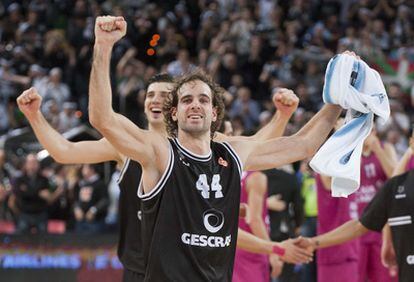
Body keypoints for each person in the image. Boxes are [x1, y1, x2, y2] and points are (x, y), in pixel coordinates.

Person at [88, 16, 342, 281]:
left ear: (214, 111)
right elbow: (101, 118)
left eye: (203, 99)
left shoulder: (232, 153)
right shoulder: (160, 152)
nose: (195, 104)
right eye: (186, 100)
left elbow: (303, 145)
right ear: (173, 113)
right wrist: (104, 46)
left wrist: (337, 98)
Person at [17, 73, 304, 280]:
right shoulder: (128, 146)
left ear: (173, 108)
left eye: (165, 95)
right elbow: (64, 151)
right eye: (150, 94)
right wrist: (34, 117)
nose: (156, 99)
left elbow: (258, 148)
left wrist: (281, 116)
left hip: (187, 268)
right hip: (139, 266)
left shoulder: (205, 143)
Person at [298, 165, 414, 282]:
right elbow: (359, 225)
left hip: (349, 251)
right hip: (338, 251)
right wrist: (313, 242)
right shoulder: (396, 186)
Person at [354, 129, 397, 282]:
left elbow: (396, 178)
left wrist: (377, 149)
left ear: (375, 131)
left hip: (381, 226)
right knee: (355, 277)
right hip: (356, 226)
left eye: (369, 129)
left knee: (383, 277)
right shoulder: (351, 150)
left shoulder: (386, 148)